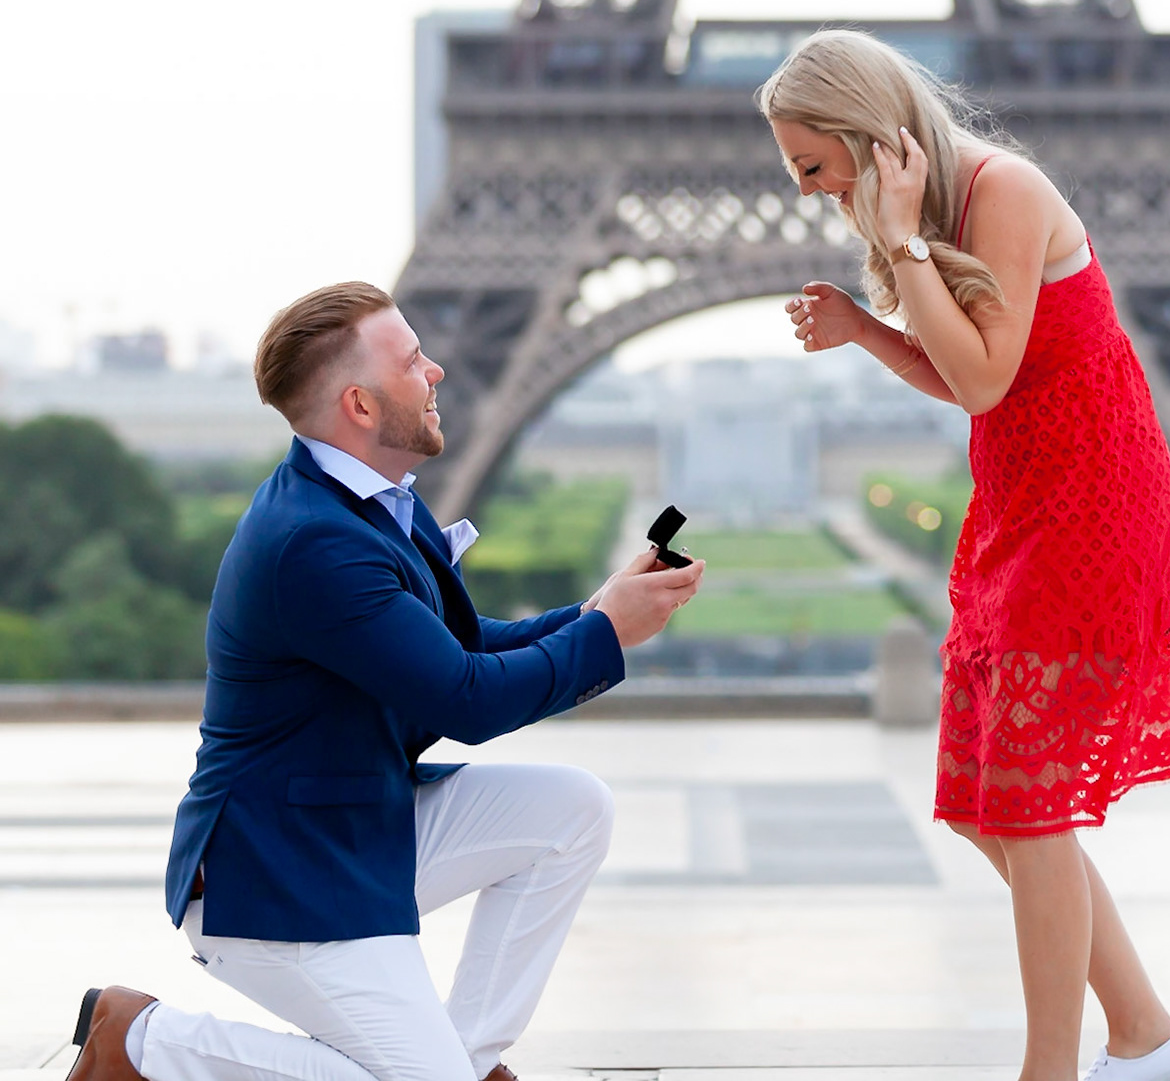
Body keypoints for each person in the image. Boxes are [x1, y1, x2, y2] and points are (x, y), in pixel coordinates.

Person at [65, 282, 705, 1081]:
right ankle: (142, 1042)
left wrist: (596, 610)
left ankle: (464, 1059)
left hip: (348, 823)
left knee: (573, 809)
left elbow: (456, 650)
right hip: (274, 879)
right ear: (361, 406)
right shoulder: (315, 544)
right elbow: (466, 701)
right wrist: (608, 634)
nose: (437, 371)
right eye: (412, 361)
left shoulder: (365, 504)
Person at [759, 29, 1170, 1081]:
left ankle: (1053, 1070)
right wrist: (868, 326)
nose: (814, 192)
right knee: (984, 809)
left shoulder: (1001, 191)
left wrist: (905, 244)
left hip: (1094, 514)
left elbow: (990, 379)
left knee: (1028, 804)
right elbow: (971, 378)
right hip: (1025, 509)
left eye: (815, 166)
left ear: (867, 135)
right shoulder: (933, 215)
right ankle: (1147, 1035)